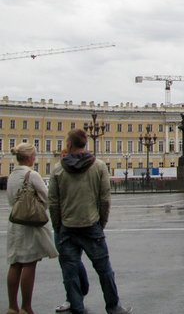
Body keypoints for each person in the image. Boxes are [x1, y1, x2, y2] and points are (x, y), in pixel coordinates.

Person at [48, 129, 132, 314]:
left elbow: (53, 203)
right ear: (85, 144)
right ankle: (113, 306)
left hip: (67, 228)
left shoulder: (58, 169)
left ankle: (77, 308)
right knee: (104, 270)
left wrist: (58, 226)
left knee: (70, 273)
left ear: (69, 145)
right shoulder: (99, 166)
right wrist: (100, 223)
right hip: (91, 225)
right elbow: (105, 199)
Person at [6, 143, 58, 314]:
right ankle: (26, 307)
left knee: (15, 264)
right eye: (34, 155)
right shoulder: (32, 175)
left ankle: (12, 306)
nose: (35, 158)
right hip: (30, 225)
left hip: (15, 224)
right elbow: (46, 198)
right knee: (29, 264)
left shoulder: (12, 175)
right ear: (29, 157)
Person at [54, 143, 89, 313]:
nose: (64, 161)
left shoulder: (81, 174)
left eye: (65, 158)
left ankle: (79, 291)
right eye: (62, 158)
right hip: (63, 225)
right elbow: (51, 200)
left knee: (72, 262)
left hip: (77, 223)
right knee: (68, 263)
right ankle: (73, 298)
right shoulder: (57, 173)